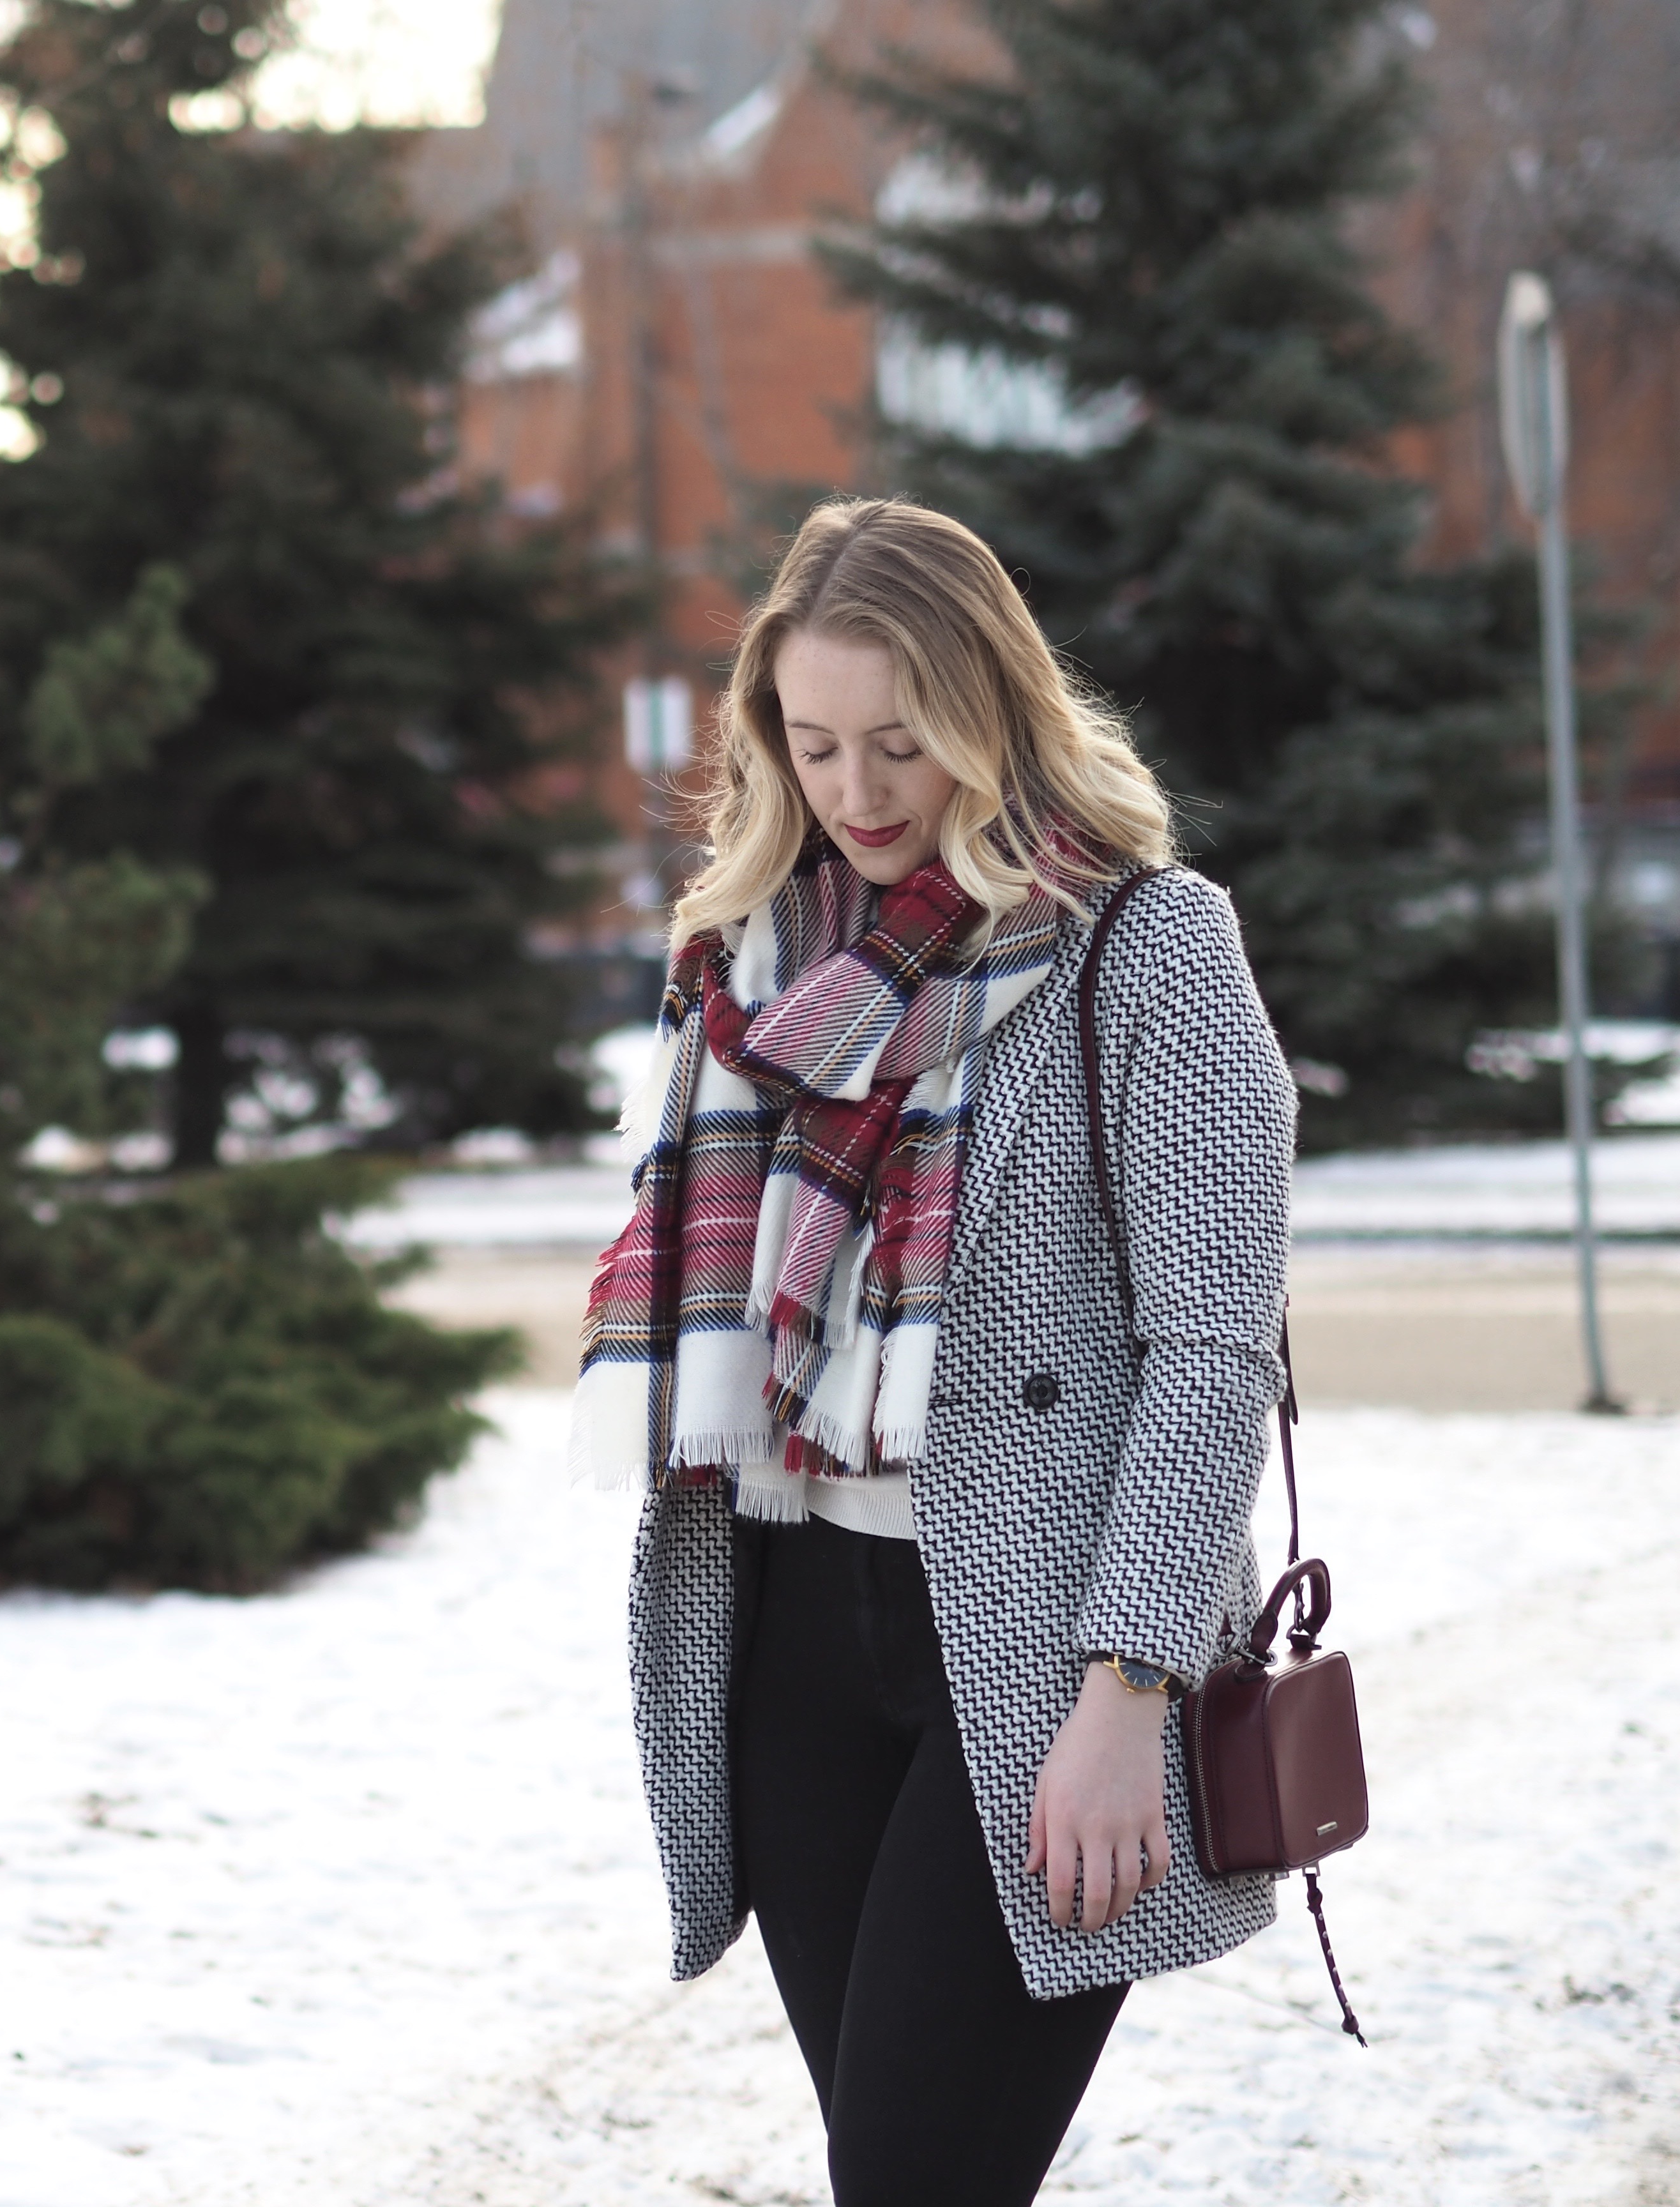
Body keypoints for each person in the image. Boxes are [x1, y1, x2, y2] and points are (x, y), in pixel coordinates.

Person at [574, 498, 1294, 2204]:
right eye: (815, 745)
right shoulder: (749, 965)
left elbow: (1209, 1357)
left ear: (993, 713)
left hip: (1046, 1660)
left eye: (902, 742)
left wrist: (1129, 1692)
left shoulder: (1148, 951)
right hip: (793, 1641)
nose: (860, 789)